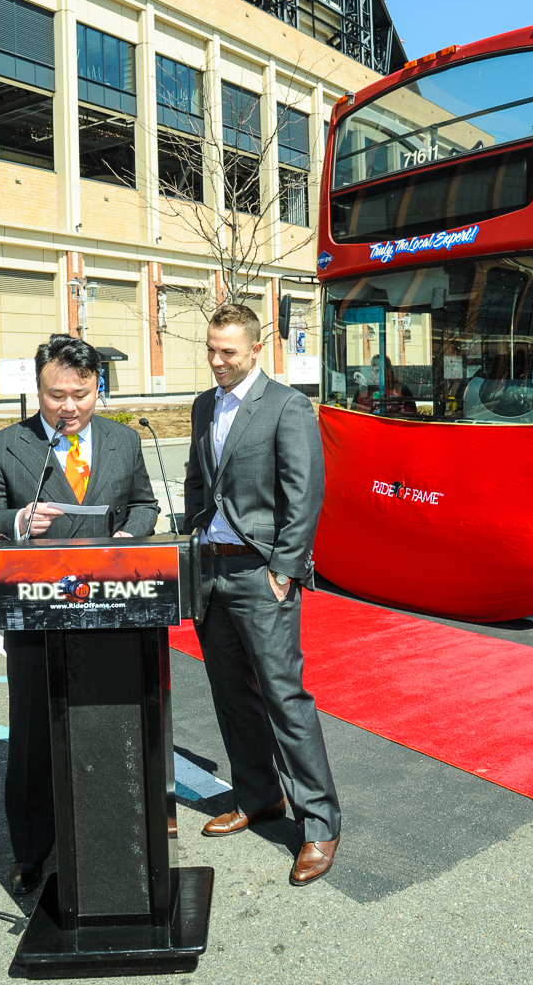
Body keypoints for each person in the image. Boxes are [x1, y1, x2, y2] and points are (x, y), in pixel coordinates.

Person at [0, 334, 159, 897]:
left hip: (114, 610)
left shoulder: (122, 441)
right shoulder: (4, 447)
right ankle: (29, 847)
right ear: (38, 390)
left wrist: (131, 533)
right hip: (34, 615)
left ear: (97, 387)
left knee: (114, 720)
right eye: (55, 396)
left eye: (81, 393)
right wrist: (19, 520)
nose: (69, 407)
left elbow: (144, 503)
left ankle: (122, 832)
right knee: (31, 738)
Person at [183, 303, 340, 886]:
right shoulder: (204, 405)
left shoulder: (288, 407)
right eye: (210, 349)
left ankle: (320, 822)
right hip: (212, 572)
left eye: (228, 351)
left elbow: (306, 494)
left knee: (283, 696)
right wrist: (192, 538)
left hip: (260, 574)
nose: (217, 361)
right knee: (230, 693)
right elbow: (200, 480)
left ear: (254, 350)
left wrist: (284, 569)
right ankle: (259, 796)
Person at [351, 354, 418, 416]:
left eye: (384, 371)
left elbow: (413, 415)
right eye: (377, 371)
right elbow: (354, 416)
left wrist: (402, 412)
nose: (381, 375)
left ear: (389, 372)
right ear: (372, 373)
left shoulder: (401, 389)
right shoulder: (363, 392)